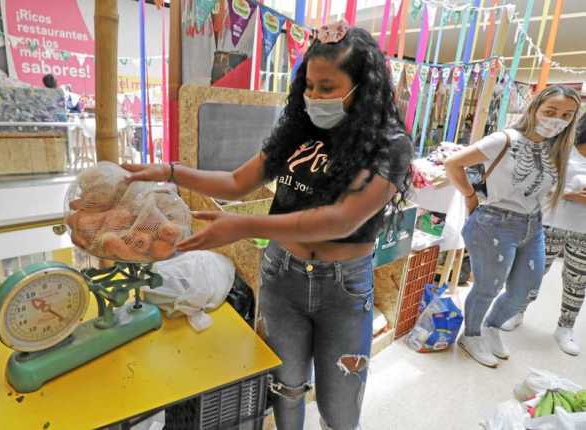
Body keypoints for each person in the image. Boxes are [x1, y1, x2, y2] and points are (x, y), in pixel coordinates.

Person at [123, 21, 412, 429]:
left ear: (362, 87)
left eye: (327, 88)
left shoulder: (390, 145)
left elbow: (340, 220)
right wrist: (171, 171)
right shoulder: (298, 128)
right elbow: (237, 182)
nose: (314, 96)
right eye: (309, 85)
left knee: (340, 405)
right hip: (282, 278)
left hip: (343, 289)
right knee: (286, 388)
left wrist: (243, 227)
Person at [444, 85, 580, 368]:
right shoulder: (504, 139)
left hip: (533, 225)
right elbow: (453, 163)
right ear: (535, 109)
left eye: (567, 115)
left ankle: (491, 327)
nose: (557, 119)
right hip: (494, 222)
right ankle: (470, 335)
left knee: (524, 290)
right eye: (551, 111)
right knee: (487, 287)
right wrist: (471, 196)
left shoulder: (555, 149)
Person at [501, 114, 586, 357]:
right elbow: (540, 182)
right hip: (550, 221)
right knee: (532, 272)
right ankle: (516, 311)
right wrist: (568, 193)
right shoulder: (562, 148)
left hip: (584, 231)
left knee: (577, 282)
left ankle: (565, 328)